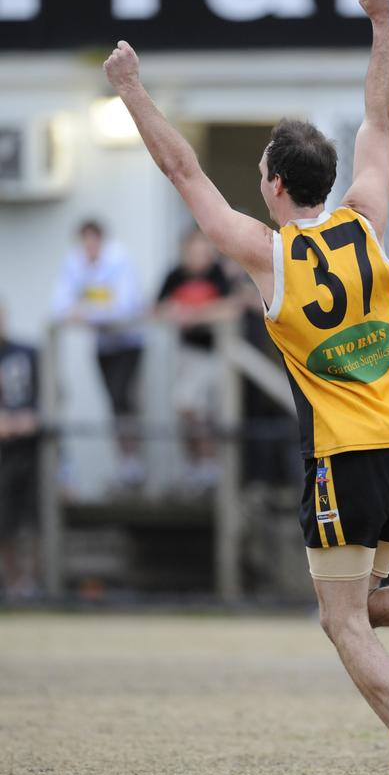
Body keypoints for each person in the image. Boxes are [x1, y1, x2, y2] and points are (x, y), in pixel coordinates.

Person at [103, 0, 389, 775]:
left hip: (349, 456)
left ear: (272, 187)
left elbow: (181, 168)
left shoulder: (266, 256)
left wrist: (131, 89)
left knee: (338, 620)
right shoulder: (365, 222)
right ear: (326, 181)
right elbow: (378, 121)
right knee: (365, 606)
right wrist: (386, 26)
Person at [51, 219, 145, 489]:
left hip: (129, 342)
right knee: (113, 402)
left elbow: (124, 308)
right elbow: (59, 305)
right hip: (103, 345)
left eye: (93, 241)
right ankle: (125, 463)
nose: (89, 247)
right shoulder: (75, 262)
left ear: (102, 241)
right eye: (85, 242)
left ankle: (133, 462)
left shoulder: (119, 259)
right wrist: (91, 312)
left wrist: (85, 312)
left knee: (122, 397)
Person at [155, 228, 235, 494]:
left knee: (207, 410)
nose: (198, 255)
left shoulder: (217, 274)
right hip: (187, 354)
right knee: (188, 408)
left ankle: (209, 465)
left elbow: (230, 307)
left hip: (215, 354)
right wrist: (174, 312)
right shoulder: (175, 274)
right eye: (194, 249)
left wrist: (197, 314)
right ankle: (200, 464)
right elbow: (157, 309)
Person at [0, 302, 40, 600]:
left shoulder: (28, 353)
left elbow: (50, 395)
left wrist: (34, 417)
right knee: (5, 520)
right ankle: (11, 580)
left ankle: (33, 581)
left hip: (30, 448)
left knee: (35, 517)